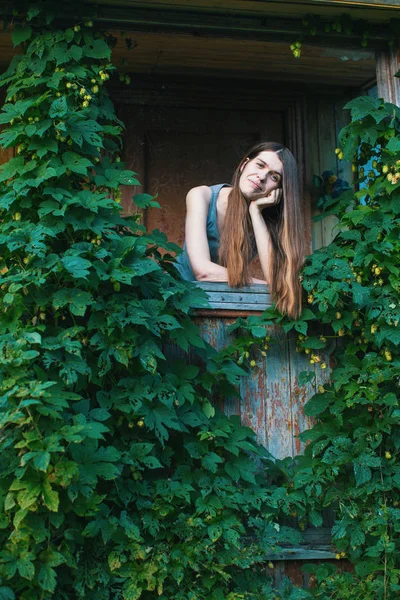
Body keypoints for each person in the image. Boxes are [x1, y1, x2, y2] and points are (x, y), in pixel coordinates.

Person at [175, 142, 305, 319]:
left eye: (274, 177)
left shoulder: (267, 220)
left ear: (279, 191)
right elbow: (203, 271)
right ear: (244, 164)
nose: (261, 177)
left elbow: (275, 278)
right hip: (177, 298)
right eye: (260, 165)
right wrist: (262, 284)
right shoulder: (201, 195)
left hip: (222, 305)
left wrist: (256, 213)